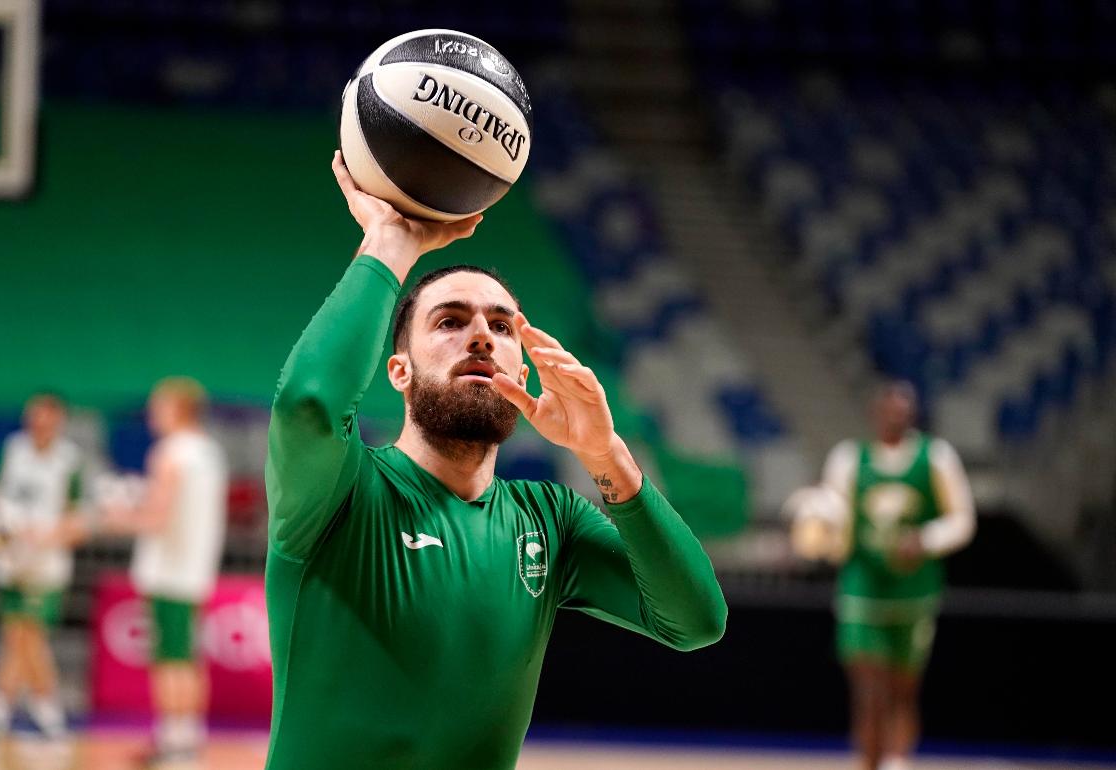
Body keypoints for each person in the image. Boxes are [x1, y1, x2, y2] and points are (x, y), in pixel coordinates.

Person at [261, 152, 727, 769]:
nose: (481, 336)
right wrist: (391, 244)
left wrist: (603, 452)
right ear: (398, 370)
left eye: (502, 328)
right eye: (450, 322)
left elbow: (695, 620)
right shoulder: (342, 490)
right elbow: (308, 406)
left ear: (523, 368)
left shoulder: (548, 519)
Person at [820, 381, 976, 770]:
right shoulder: (849, 460)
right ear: (876, 412)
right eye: (890, 407)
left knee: (902, 689)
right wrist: (817, 533)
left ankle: (897, 758)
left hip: (914, 591)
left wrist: (925, 540)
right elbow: (834, 522)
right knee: (868, 688)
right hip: (863, 590)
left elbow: (962, 519)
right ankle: (868, 759)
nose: (897, 415)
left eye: (905, 409)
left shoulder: (936, 457)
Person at [100, 377, 227, 764]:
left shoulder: (171, 453)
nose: (153, 415)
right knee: (187, 655)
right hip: (196, 567)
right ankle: (187, 736)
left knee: (169, 657)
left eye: (158, 407)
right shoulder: (210, 452)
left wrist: (115, 517)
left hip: (169, 570)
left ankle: (174, 739)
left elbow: (156, 517)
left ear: (177, 409)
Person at [0, 392, 86, 741]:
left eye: (48, 417)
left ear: (59, 420)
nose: (40, 423)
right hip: (9, 561)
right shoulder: (10, 450)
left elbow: (77, 519)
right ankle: (36, 711)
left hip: (45, 564)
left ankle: (17, 711)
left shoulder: (69, 459)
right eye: (34, 416)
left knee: (28, 635)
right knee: (17, 636)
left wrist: (49, 536)